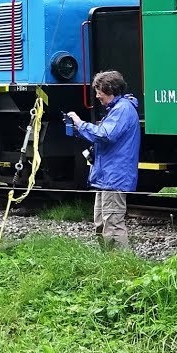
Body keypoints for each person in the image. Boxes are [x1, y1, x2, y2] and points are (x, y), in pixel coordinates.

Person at [66, 70, 140, 250]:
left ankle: (120, 265)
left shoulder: (123, 109)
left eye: (99, 91)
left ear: (110, 90)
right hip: (106, 176)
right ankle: (107, 262)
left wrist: (79, 123)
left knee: (113, 225)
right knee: (101, 223)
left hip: (114, 176)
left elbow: (105, 134)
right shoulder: (116, 109)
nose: (97, 96)